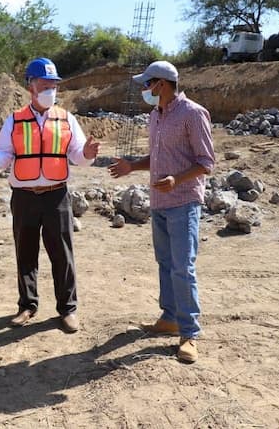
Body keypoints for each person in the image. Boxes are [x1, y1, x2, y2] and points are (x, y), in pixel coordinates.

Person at [109, 60, 215, 363]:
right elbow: (157, 157)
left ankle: (189, 333)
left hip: (184, 201)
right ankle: (169, 318)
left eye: (147, 83)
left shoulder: (193, 114)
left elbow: (206, 162)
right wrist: (133, 166)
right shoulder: (155, 116)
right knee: (165, 263)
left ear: (162, 84)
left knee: (183, 267)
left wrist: (176, 180)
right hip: (160, 202)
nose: (145, 89)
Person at [0, 57, 99, 333]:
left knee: (62, 254)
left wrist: (86, 154)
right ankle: (27, 305)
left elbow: (77, 153)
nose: (51, 90)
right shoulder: (14, 120)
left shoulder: (66, 118)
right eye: (45, 84)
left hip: (56, 196)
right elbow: (4, 154)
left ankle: (68, 309)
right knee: (25, 252)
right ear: (31, 87)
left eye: (54, 85)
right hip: (24, 196)